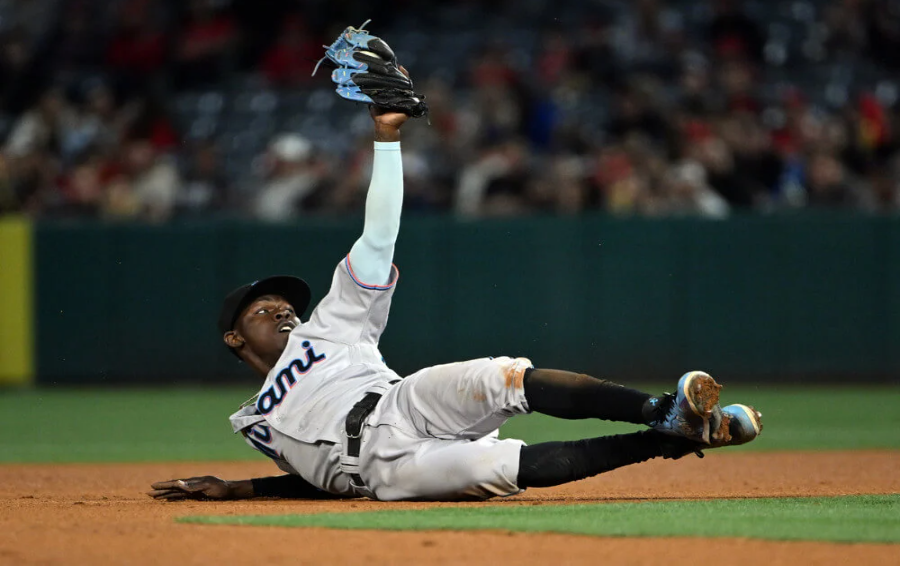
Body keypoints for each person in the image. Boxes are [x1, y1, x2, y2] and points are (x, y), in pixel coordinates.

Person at [149, 104, 762, 503]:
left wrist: (386, 141)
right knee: (510, 468)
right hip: (385, 471)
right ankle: (672, 437)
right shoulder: (255, 420)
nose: (282, 309)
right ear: (234, 339)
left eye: (285, 303)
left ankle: (661, 405)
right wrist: (239, 488)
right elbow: (316, 480)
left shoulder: (328, 327)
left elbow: (379, 234)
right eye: (263, 310)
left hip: (400, 399)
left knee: (507, 378)